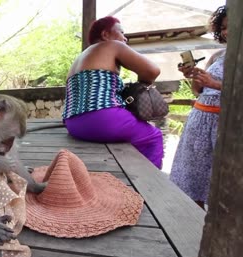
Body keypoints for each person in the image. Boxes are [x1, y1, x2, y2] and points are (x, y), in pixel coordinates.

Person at [62, 16, 163, 169]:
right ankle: (150, 185)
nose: (125, 38)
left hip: (73, 124)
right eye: (121, 32)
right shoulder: (113, 46)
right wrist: (142, 85)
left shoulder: (81, 58)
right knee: (153, 136)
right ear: (105, 35)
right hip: (103, 120)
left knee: (130, 131)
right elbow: (152, 71)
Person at [170, 5, 227, 209]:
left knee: (219, 180)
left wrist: (215, 83)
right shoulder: (218, 55)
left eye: (232, 26)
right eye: (224, 27)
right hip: (200, 122)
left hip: (223, 125)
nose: (227, 31)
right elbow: (198, 92)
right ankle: (192, 223)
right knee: (193, 178)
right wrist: (196, 76)